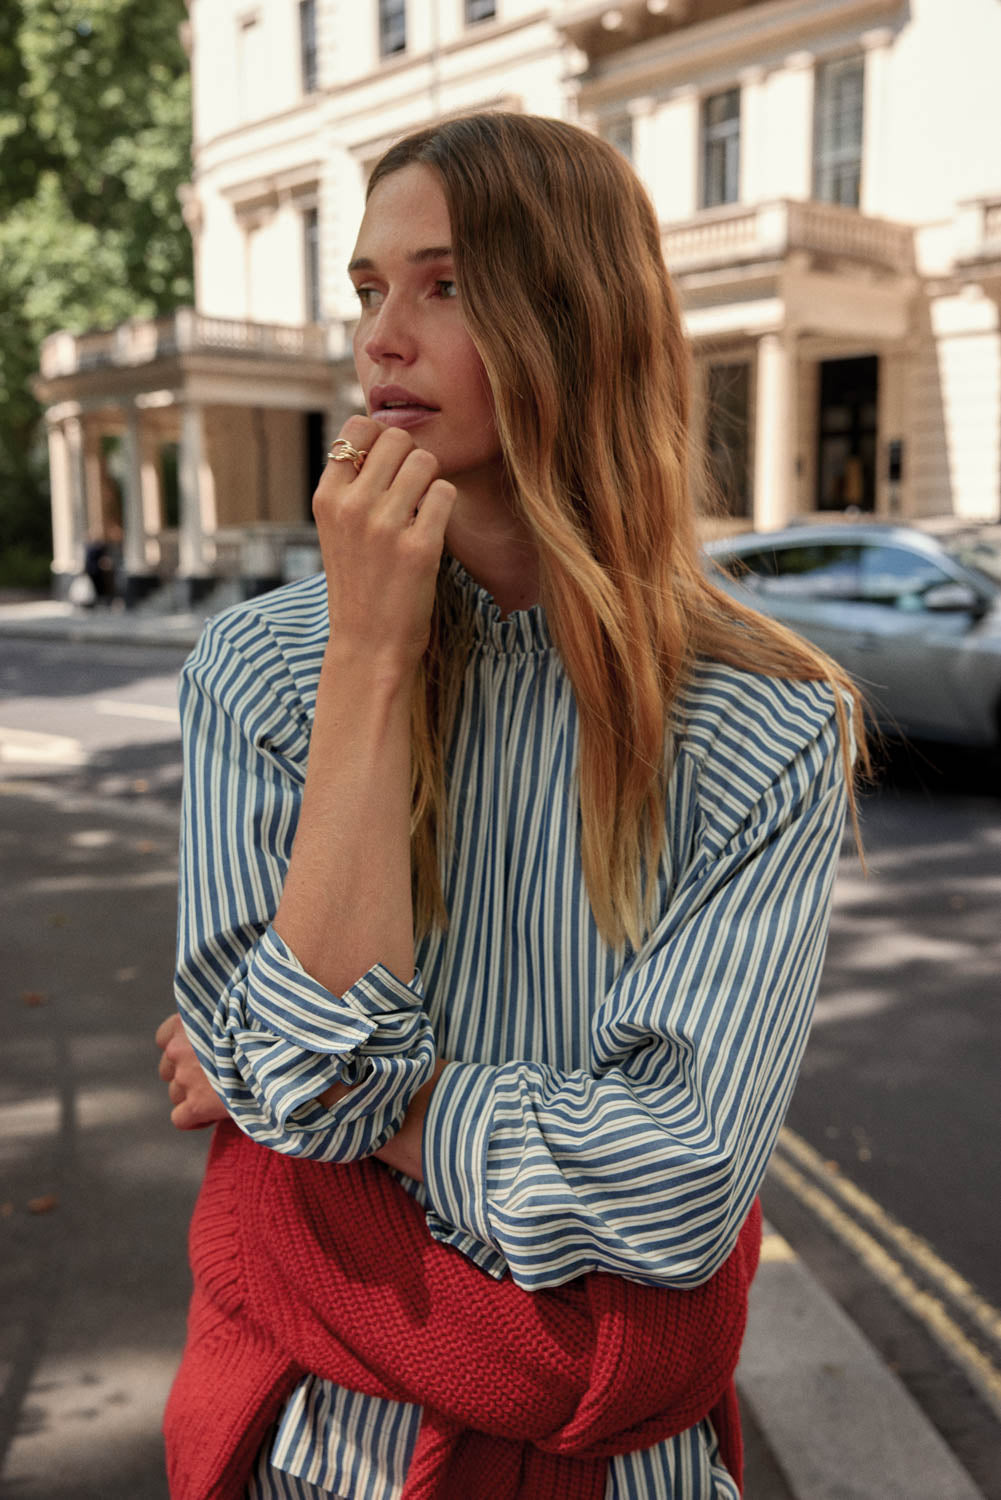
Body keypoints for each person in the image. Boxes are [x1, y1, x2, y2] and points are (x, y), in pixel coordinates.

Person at [156, 111, 866, 1500]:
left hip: (621, 1466)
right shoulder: (262, 670)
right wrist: (370, 654)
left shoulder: (764, 723)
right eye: (369, 288)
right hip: (316, 1449)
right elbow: (288, 1082)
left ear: (579, 321)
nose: (380, 340)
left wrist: (356, 1095)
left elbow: (675, 1186)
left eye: (447, 286)